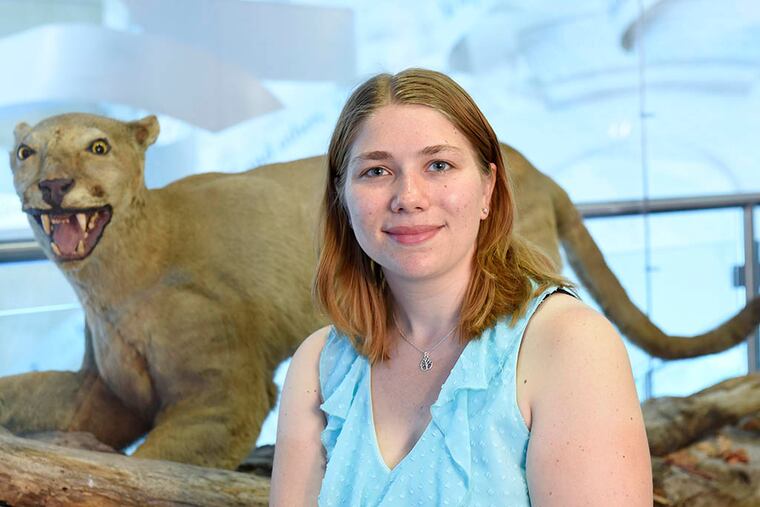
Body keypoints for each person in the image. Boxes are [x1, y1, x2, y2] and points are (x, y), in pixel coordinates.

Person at [270, 68, 652, 506]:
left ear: (488, 188)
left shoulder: (569, 344)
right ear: (342, 197)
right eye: (376, 171)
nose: (408, 197)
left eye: (439, 165)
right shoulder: (319, 365)